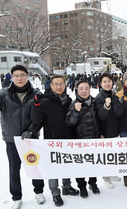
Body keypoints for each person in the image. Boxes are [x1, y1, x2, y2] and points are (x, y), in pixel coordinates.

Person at [0, 65, 45, 209]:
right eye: (16, 75)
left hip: (30, 138)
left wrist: (32, 131)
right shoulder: (3, 94)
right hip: (12, 139)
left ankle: (39, 191)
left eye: (22, 75)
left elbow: (40, 118)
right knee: (14, 169)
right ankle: (16, 196)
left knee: (35, 166)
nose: (19, 78)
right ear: (12, 77)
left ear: (27, 76)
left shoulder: (37, 94)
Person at [31, 75, 79, 207]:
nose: (58, 87)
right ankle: (55, 192)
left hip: (68, 139)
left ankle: (67, 186)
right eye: (55, 84)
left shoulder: (68, 101)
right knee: (53, 167)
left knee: (67, 164)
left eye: (61, 84)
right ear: (50, 85)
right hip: (52, 141)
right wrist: (36, 105)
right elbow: (36, 120)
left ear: (65, 85)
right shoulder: (45, 102)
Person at [65, 80, 102, 198]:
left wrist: (101, 133)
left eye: (86, 88)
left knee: (94, 164)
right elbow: (69, 122)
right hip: (80, 141)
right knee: (80, 166)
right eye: (81, 88)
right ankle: (82, 186)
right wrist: (76, 111)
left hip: (94, 140)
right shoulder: (73, 103)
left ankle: (93, 183)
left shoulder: (95, 102)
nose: (84, 91)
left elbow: (100, 120)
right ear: (77, 90)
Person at [94, 72, 120, 189]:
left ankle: (112, 172)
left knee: (113, 154)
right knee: (105, 156)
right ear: (100, 83)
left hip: (114, 129)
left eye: (109, 81)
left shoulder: (113, 95)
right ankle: (106, 177)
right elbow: (100, 117)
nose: (107, 84)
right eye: (104, 82)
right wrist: (106, 106)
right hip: (105, 131)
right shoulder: (99, 97)